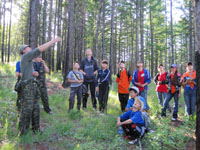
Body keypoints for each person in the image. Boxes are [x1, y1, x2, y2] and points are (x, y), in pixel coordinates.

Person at [18, 37, 61, 135]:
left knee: (36, 108)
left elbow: (29, 71)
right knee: (27, 109)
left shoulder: (29, 61)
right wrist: (52, 41)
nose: (30, 48)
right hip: (28, 86)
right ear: (24, 51)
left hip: (34, 86)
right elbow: (39, 49)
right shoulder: (25, 56)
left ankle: (36, 129)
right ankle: (22, 131)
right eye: (28, 47)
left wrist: (34, 73)